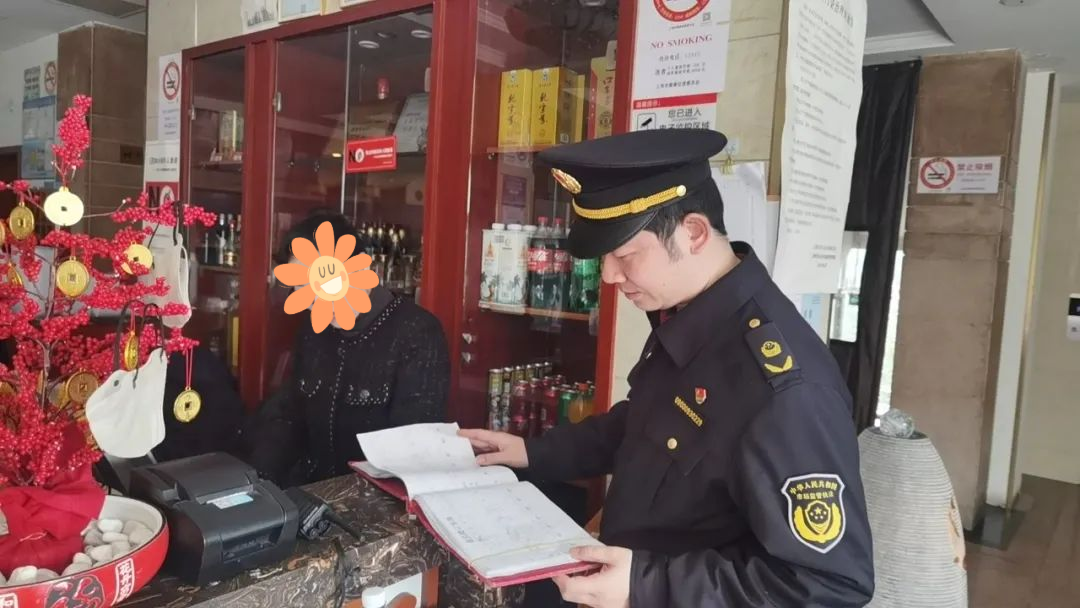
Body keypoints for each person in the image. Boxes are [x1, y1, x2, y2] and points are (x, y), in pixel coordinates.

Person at [459, 129, 875, 607]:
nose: (609, 275)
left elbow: (830, 584)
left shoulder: (785, 391)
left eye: (624, 255)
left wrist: (647, 586)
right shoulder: (690, 316)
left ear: (693, 232)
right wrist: (533, 453)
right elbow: (645, 424)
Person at [246, 210, 450, 486]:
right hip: (312, 493)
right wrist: (257, 483)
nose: (308, 300)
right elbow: (287, 416)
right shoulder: (314, 329)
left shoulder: (416, 332)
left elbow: (412, 452)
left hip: (375, 500)